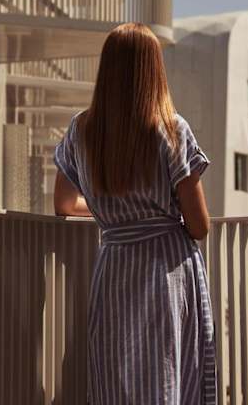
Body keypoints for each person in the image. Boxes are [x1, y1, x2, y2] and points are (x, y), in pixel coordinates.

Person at [53, 22, 216, 404]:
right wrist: (154, 216)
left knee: (116, 382)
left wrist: (115, 218)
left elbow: (64, 205)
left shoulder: (82, 129)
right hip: (166, 269)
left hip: (114, 268)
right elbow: (199, 225)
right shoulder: (171, 129)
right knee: (166, 378)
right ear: (153, 67)